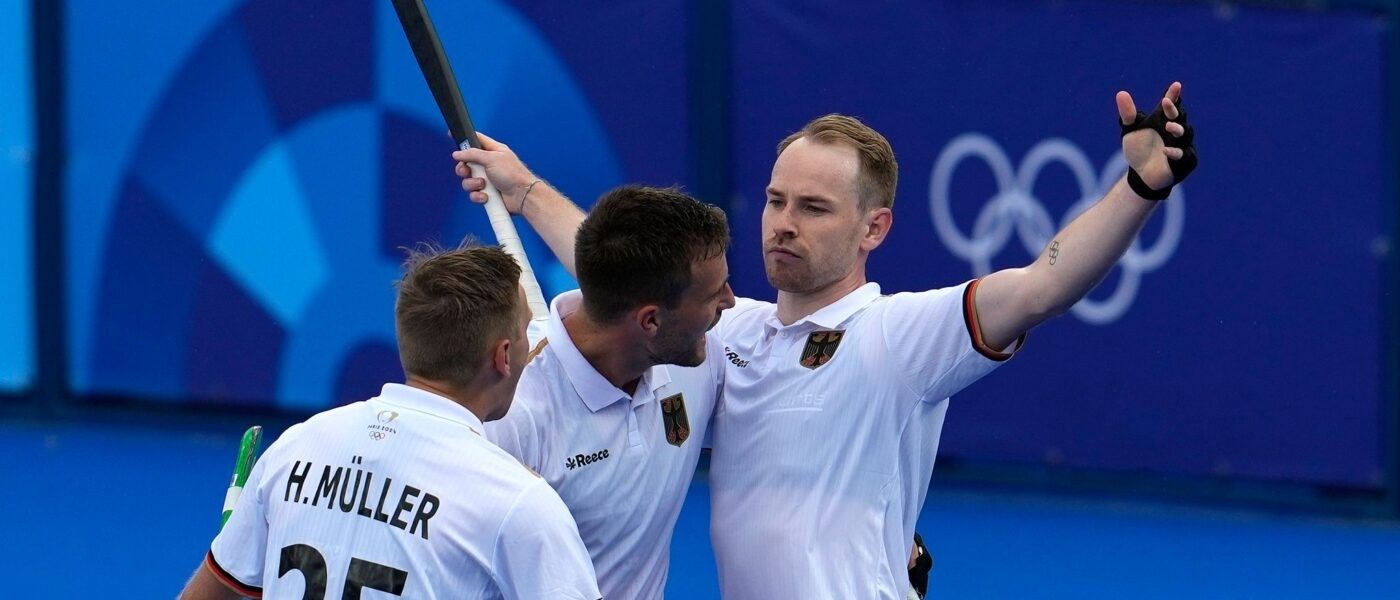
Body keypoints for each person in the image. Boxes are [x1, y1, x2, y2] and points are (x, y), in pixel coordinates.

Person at [703, 83, 1197, 598]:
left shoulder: (896, 335)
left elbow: (1041, 288)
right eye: (776, 201)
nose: (784, 224)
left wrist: (1140, 186)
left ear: (874, 229)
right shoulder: (723, 331)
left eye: (813, 208)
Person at [178, 243, 600, 600]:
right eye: (528, 332)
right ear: (504, 356)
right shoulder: (520, 503)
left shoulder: (295, 448)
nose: (534, 349)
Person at [453, 143, 736, 599]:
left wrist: (527, 191)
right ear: (650, 321)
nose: (731, 303)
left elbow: (618, 267)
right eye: (714, 295)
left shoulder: (697, 349)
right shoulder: (511, 414)